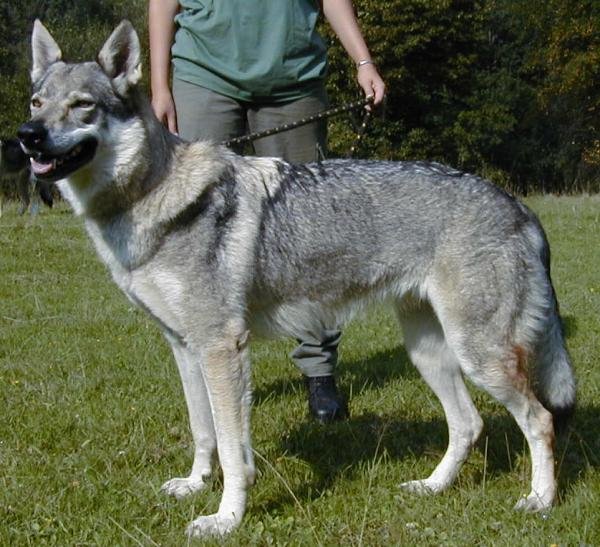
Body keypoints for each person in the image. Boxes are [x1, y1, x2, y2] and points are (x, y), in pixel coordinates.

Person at [149, 0, 385, 423]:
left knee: (311, 236)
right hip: (205, 75)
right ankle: (211, 377)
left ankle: (319, 372)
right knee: (194, 241)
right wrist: (160, 87)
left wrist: (363, 61)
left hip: (293, 81)